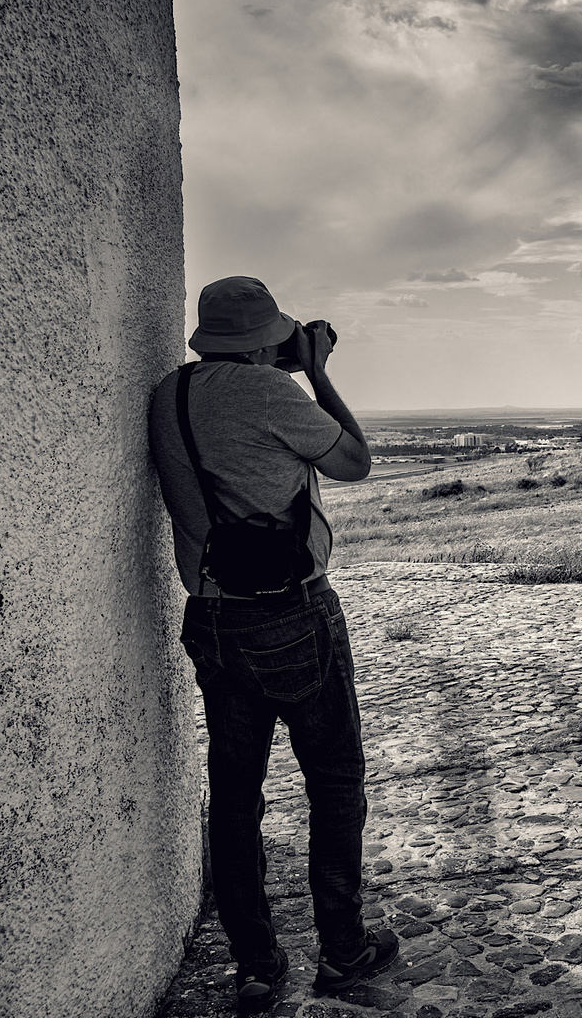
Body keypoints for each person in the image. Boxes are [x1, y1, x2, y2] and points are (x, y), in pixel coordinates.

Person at [147, 276, 397, 1010]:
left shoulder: (169, 394)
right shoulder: (273, 394)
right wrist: (316, 370)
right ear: (264, 341)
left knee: (233, 798)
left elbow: (228, 428)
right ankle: (344, 953)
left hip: (211, 619)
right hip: (290, 617)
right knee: (334, 781)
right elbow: (353, 461)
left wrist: (273, 366)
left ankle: (256, 966)